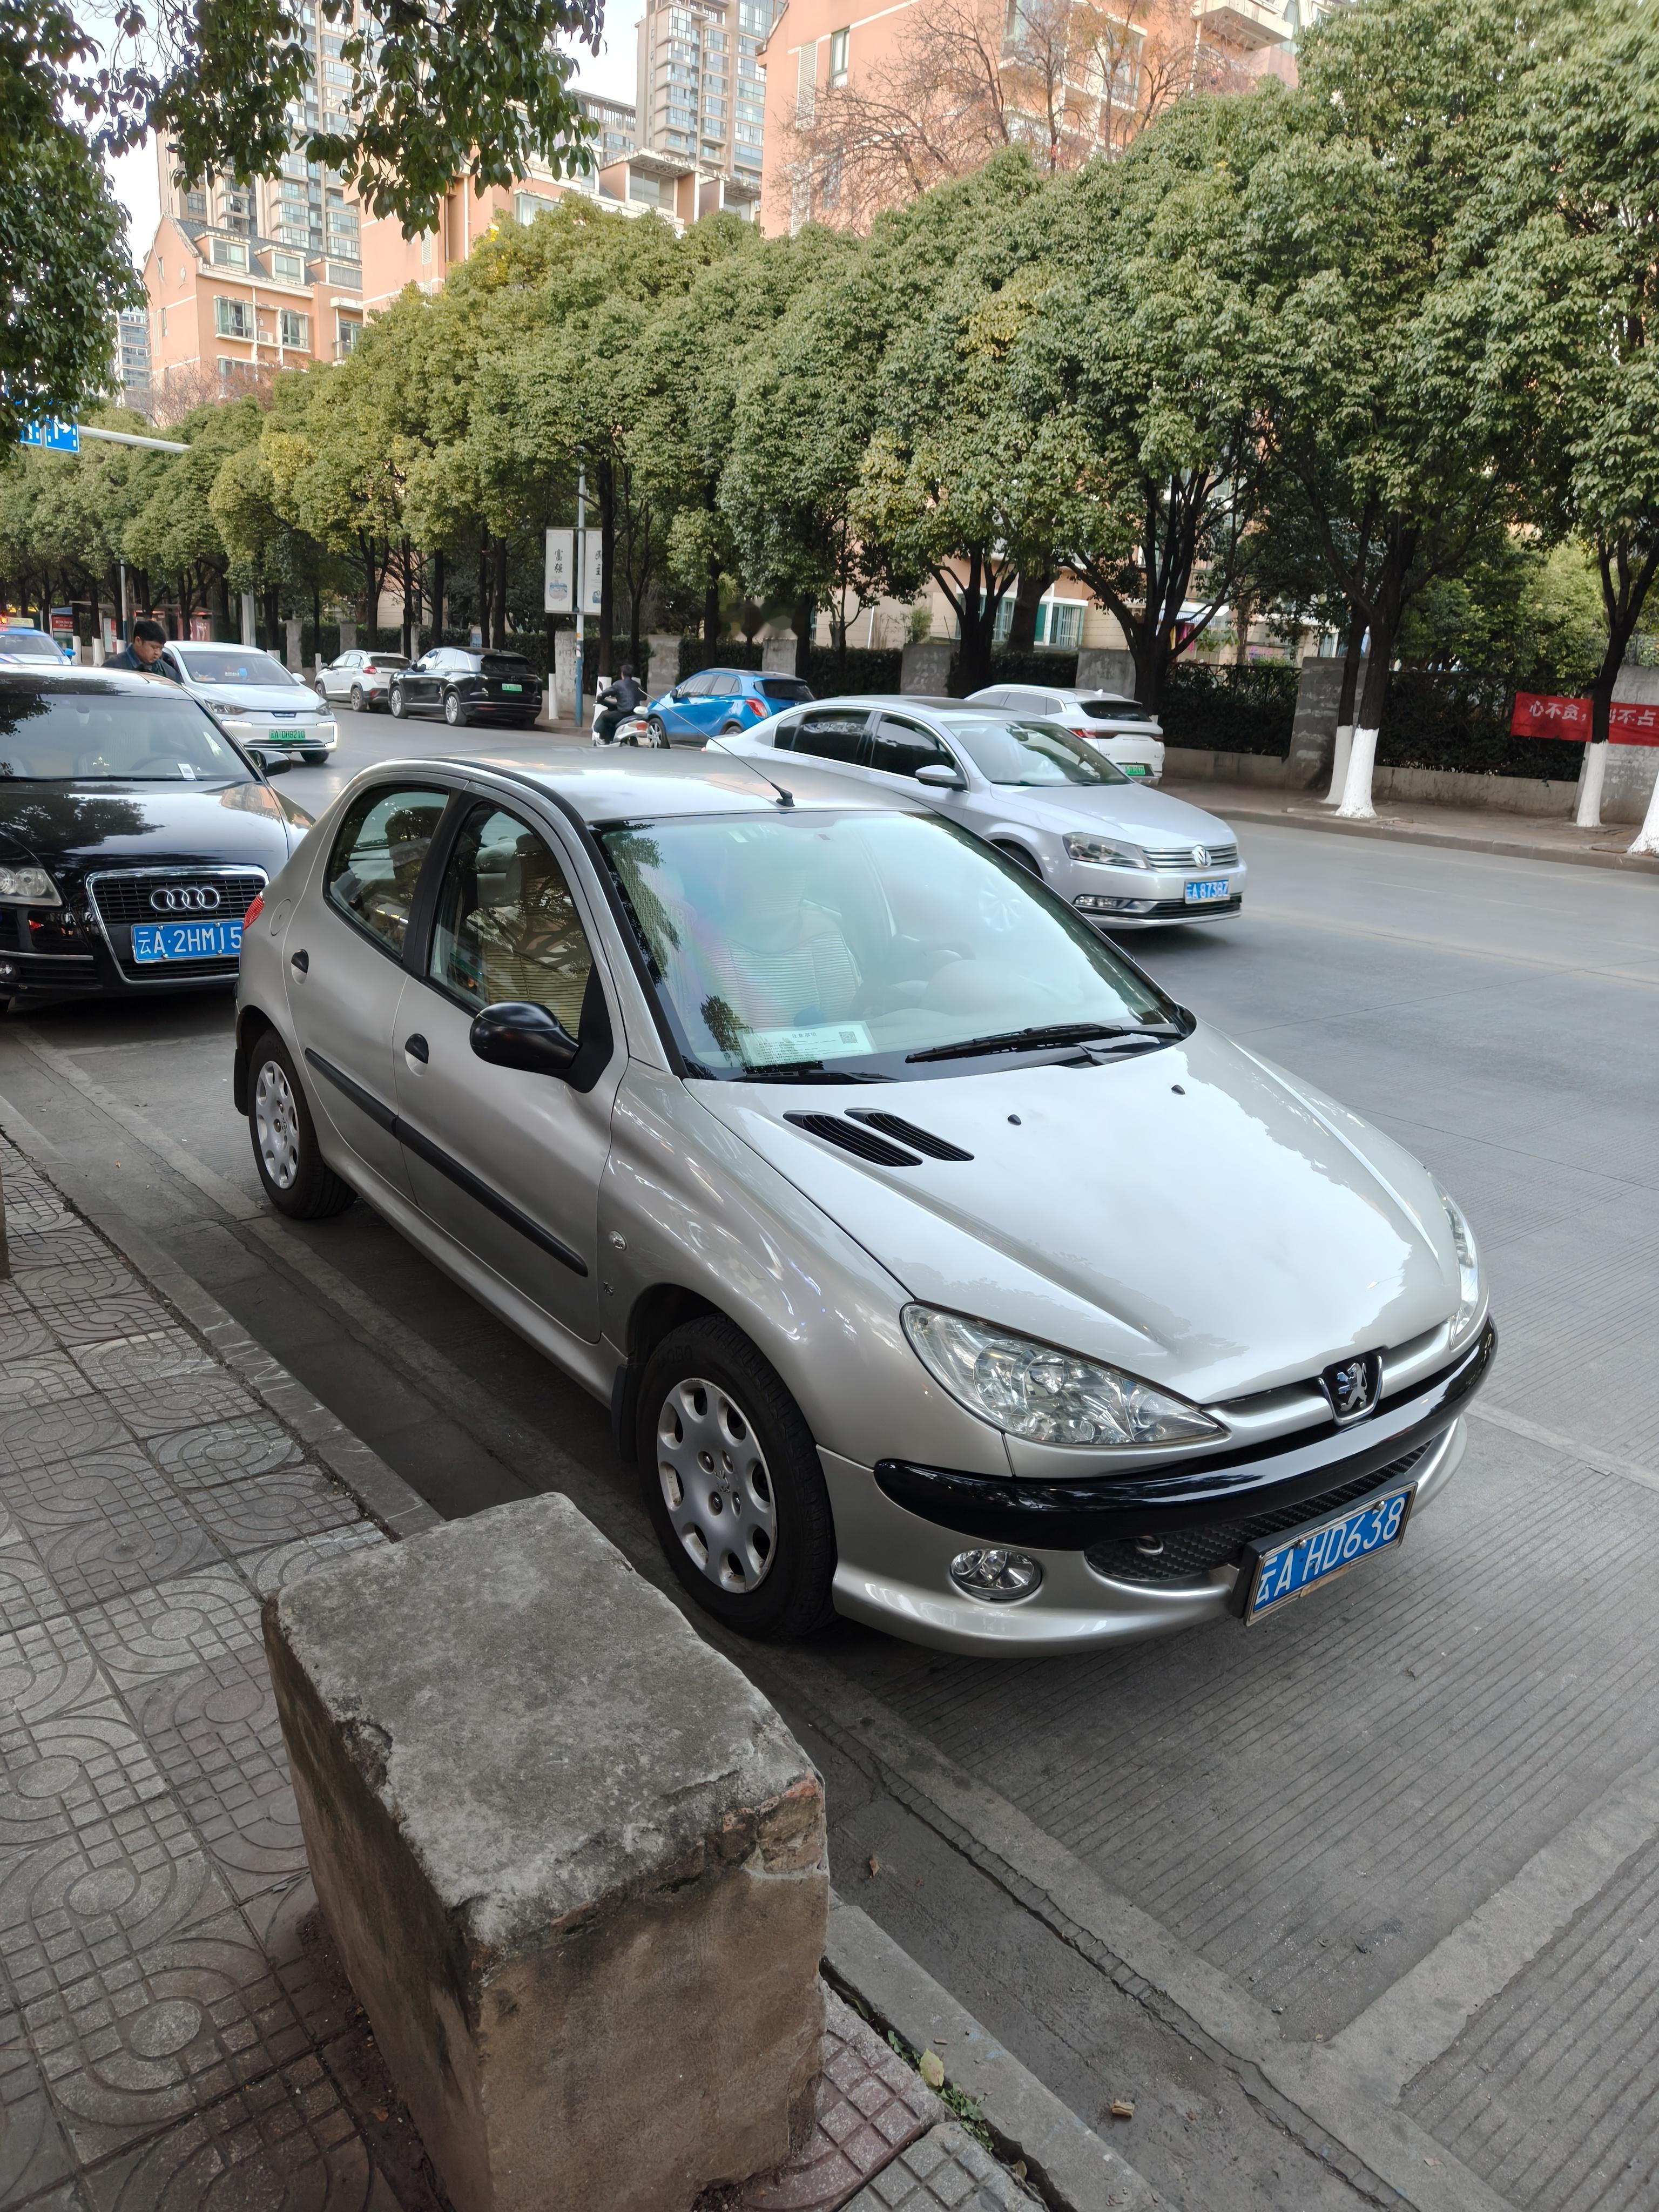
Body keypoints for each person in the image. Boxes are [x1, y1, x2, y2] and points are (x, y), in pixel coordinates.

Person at [593, 665, 644, 745]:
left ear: (622, 674)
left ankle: (604, 739)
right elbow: (644, 697)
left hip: (623, 713)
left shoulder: (618, 684)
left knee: (604, 716)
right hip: (634, 713)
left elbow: (605, 693)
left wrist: (599, 698)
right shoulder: (637, 685)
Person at [106, 619, 176, 676]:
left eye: (160, 649)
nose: (158, 653)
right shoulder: (113, 668)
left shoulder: (167, 671)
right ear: (138, 641)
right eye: (154, 647)